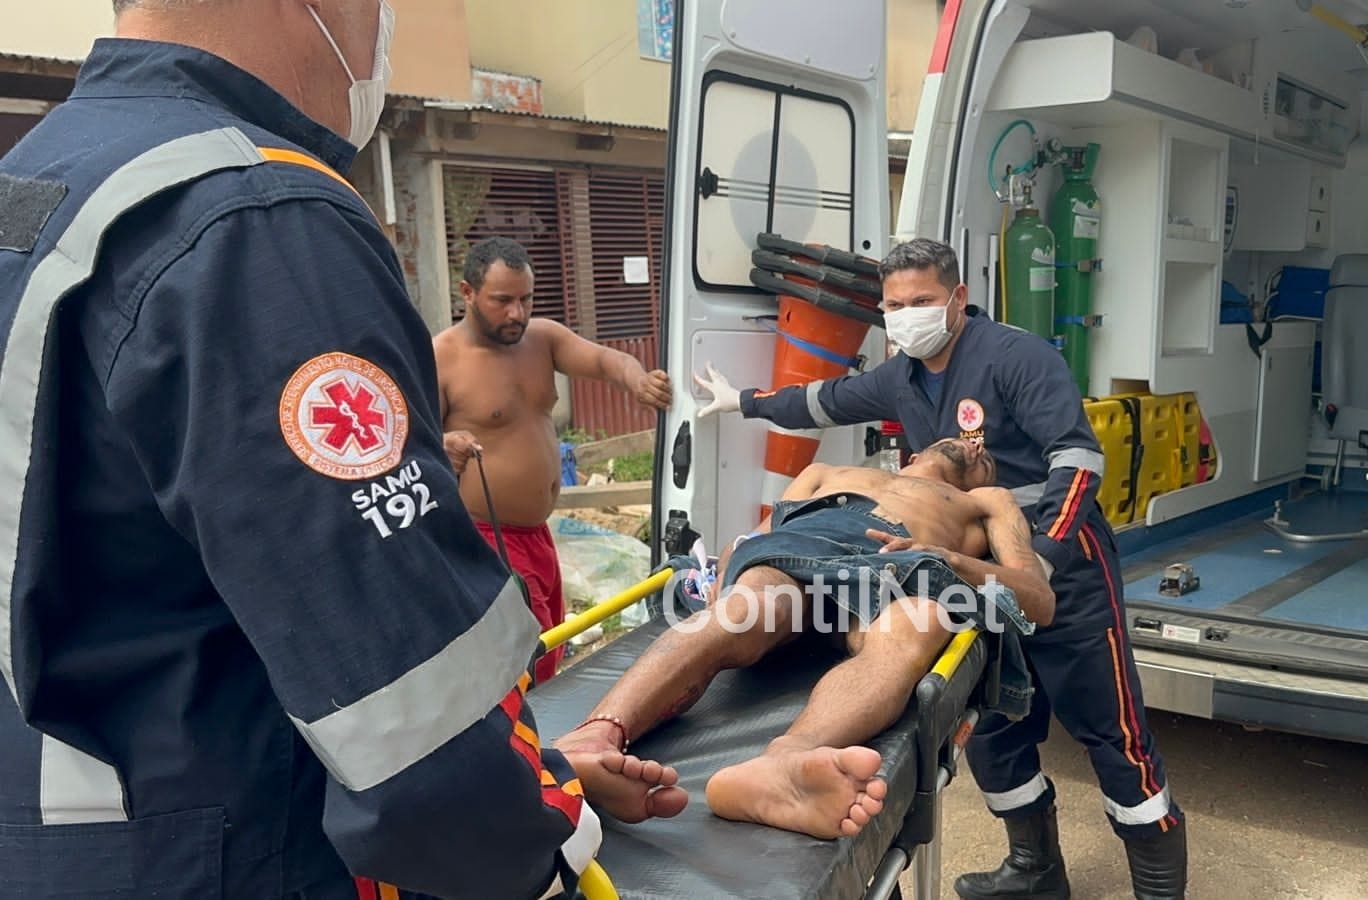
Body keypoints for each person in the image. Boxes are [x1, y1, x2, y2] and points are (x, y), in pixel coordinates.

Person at [0, 3, 682, 897]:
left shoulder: (40, 183)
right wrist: (542, 837)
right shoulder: (254, 215)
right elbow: (413, 729)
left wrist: (541, 765)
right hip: (223, 849)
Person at [696, 238, 1188, 898]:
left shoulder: (1016, 358)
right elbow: (826, 399)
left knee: (1112, 732)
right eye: (894, 306)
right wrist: (745, 402)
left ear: (957, 298)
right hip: (970, 574)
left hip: (1061, 565)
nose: (905, 316)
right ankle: (1036, 872)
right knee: (992, 726)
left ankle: (1160, 892)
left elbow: (1079, 463)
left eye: (922, 301)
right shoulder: (904, 374)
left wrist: (1039, 561)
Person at [553, 438, 1052, 839]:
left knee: (917, 626)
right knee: (742, 611)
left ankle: (784, 763)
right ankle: (596, 736)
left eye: (986, 459)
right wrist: (725, 575)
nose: (975, 447)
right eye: (963, 440)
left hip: (906, 568)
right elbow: (753, 540)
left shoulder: (985, 501)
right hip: (800, 549)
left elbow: (1038, 600)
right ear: (914, 453)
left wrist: (955, 562)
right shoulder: (827, 472)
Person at [433, 236, 672, 683]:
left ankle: (541, 743)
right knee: (527, 657)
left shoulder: (541, 340)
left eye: (526, 299)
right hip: (488, 537)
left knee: (550, 648)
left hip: (539, 536)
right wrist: (446, 443)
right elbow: (411, 443)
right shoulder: (442, 358)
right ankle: (530, 745)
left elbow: (604, 360)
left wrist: (638, 380)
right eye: (502, 301)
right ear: (467, 293)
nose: (517, 314)